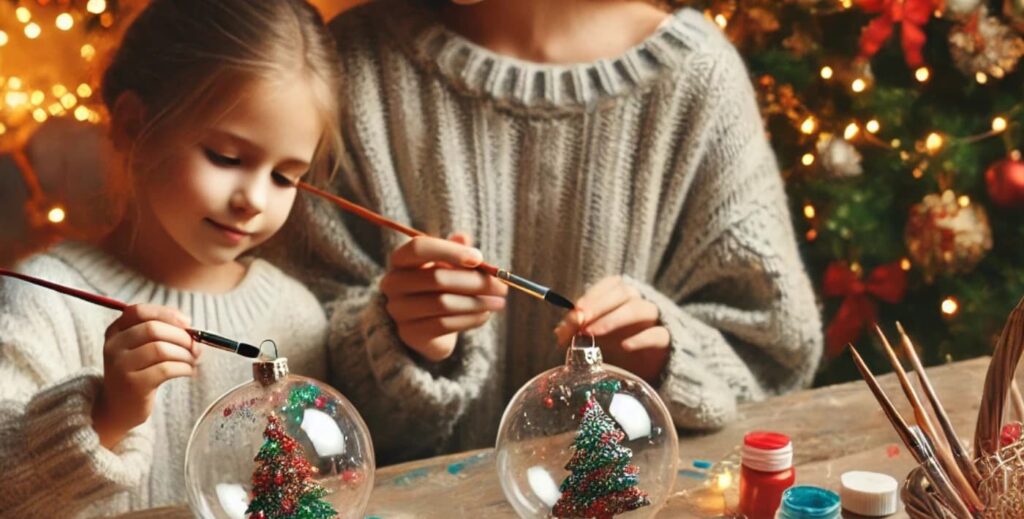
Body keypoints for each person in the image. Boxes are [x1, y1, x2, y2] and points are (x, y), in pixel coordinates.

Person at [283, 0, 824, 465]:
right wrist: (395, 339)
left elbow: (775, 353)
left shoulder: (699, 78)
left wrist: (663, 358)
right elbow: (281, 338)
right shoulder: (353, 63)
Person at [0, 1, 343, 515]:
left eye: (284, 176)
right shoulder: (44, 300)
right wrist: (106, 414)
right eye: (227, 157)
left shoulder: (296, 315)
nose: (254, 199)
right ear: (134, 125)